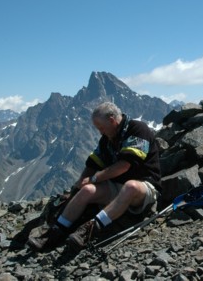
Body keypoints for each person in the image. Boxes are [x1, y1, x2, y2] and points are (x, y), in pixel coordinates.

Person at [27, 102, 162, 251]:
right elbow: (93, 163)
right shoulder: (107, 139)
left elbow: (125, 165)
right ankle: (54, 233)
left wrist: (94, 179)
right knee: (87, 191)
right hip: (117, 187)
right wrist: (79, 185)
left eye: (101, 128)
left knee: (130, 186)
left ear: (112, 120)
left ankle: (90, 230)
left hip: (144, 188)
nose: (100, 132)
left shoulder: (137, 129)